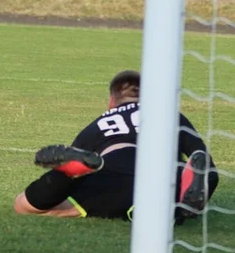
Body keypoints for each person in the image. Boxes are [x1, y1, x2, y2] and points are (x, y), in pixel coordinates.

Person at [13, 70, 219, 221]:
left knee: (24, 205)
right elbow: (203, 160)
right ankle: (175, 202)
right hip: (162, 172)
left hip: (112, 169)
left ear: (112, 101)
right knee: (188, 174)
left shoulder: (98, 124)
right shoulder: (170, 115)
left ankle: (66, 175)